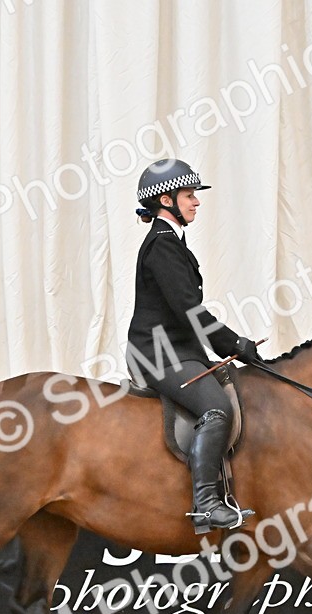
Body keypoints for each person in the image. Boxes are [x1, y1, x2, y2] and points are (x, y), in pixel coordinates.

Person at [126, 158, 261, 533]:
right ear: (166, 200)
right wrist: (233, 343)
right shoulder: (162, 247)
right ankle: (206, 503)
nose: (196, 202)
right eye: (189, 196)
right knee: (217, 408)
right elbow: (189, 311)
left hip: (178, 350)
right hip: (157, 354)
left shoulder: (173, 242)